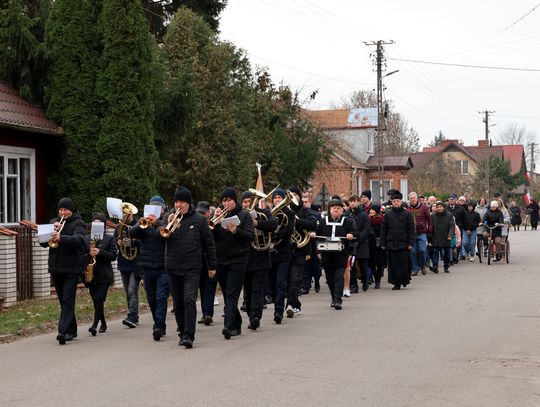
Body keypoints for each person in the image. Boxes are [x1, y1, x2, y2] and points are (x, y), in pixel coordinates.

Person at [163, 187, 216, 348]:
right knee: (178, 303)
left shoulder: (199, 220)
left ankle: (189, 335)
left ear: (189, 203)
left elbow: (209, 244)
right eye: (177, 201)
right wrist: (169, 223)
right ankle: (182, 331)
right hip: (173, 266)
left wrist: (212, 265)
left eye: (182, 202)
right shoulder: (169, 218)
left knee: (189, 299)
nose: (179, 205)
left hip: (192, 267)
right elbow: (161, 237)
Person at [40, 197, 86, 345]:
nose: (62, 212)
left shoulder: (79, 223)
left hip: (72, 268)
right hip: (56, 266)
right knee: (63, 299)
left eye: (65, 210)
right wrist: (49, 231)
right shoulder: (53, 222)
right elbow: (43, 243)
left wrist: (61, 237)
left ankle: (62, 331)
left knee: (67, 298)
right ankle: (72, 330)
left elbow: (79, 240)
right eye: (60, 209)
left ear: (71, 210)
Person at [212, 187, 255, 339]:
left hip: (238, 260)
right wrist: (214, 222)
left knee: (231, 294)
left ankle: (228, 326)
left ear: (234, 201)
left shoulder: (244, 215)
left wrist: (236, 231)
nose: (226, 203)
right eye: (223, 200)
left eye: (229, 200)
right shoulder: (217, 217)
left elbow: (251, 236)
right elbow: (209, 236)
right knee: (226, 293)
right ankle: (236, 322)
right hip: (221, 261)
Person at [130, 195, 169, 341]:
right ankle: (159, 323)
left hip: (163, 268)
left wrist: (156, 223)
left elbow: (165, 234)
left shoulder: (165, 221)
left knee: (161, 298)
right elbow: (131, 233)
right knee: (152, 299)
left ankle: (158, 326)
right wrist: (141, 223)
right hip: (147, 268)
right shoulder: (143, 224)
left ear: (162, 210)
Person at [241, 191, 277, 330]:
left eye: (250, 201)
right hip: (244, 258)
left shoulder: (264, 213)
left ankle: (256, 316)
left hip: (260, 257)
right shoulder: (239, 215)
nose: (248, 204)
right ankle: (251, 314)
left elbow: (273, 225)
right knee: (248, 289)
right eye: (245, 202)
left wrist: (257, 223)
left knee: (257, 289)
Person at [313, 198, 356, 309]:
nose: (336, 210)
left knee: (339, 277)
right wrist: (313, 234)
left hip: (341, 254)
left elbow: (355, 233)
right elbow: (317, 233)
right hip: (327, 255)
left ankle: (338, 300)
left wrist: (351, 234)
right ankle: (334, 296)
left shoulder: (347, 221)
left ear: (342, 210)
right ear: (330, 209)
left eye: (339, 208)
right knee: (329, 279)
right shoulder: (323, 221)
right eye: (334, 208)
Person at [285, 186, 316, 318]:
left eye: (294, 194)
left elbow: (312, 224)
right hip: (285, 249)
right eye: (290, 194)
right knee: (286, 280)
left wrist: (296, 221)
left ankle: (290, 305)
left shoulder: (304, 210)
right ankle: (296, 304)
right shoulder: (284, 210)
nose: (292, 197)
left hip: (300, 250)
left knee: (294, 279)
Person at [85, 213, 117, 336]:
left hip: (104, 275)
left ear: (103, 226)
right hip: (91, 275)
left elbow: (113, 256)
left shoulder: (109, 239)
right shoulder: (87, 238)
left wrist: (100, 252)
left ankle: (94, 325)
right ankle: (103, 322)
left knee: (99, 299)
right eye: (95, 223)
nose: (97, 225)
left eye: (99, 223)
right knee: (96, 301)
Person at [269, 188, 295, 324]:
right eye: (275, 198)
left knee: (280, 283)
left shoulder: (289, 213)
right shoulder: (269, 213)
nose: (277, 200)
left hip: (284, 253)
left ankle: (278, 311)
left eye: (279, 198)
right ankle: (276, 304)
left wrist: (274, 235)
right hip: (271, 254)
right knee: (272, 284)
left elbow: (289, 230)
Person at [380, 192, 415, 290]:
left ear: (401, 202)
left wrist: (411, 243)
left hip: (404, 244)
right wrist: (383, 243)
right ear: (392, 202)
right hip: (391, 243)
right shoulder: (388, 214)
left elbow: (411, 229)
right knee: (393, 265)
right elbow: (384, 229)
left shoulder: (407, 214)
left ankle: (404, 280)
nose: (396, 203)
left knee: (403, 263)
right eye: (394, 201)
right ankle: (396, 283)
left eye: (398, 201)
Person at [114, 209, 142, 329]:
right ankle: (132, 313)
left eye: (128, 214)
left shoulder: (139, 225)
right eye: (124, 213)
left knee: (132, 290)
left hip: (135, 263)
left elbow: (143, 242)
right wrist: (118, 243)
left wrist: (133, 242)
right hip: (123, 262)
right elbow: (114, 244)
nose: (126, 216)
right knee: (127, 292)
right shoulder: (118, 228)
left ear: (132, 214)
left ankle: (133, 316)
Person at [195, 201, 218, 326]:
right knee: (201, 287)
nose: (201, 215)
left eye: (203, 213)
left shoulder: (214, 223)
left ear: (209, 213)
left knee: (209, 287)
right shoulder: (196, 223)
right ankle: (205, 314)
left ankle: (208, 313)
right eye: (199, 213)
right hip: (198, 260)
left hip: (211, 260)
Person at [348, 195, 370, 292]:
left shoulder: (364, 215)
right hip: (351, 244)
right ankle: (353, 286)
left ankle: (365, 281)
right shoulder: (347, 215)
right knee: (351, 266)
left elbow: (366, 229)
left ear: (358, 202)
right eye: (351, 201)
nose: (352, 203)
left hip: (362, 244)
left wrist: (359, 238)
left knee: (362, 265)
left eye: (354, 201)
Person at [407, 192, 432, 276]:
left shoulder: (424, 207)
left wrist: (429, 230)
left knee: (422, 250)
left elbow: (429, 220)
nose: (412, 199)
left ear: (417, 199)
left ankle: (423, 265)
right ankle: (415, 269)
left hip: (422, 232)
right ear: (409, 199)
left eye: (414, 198)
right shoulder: (407, 209)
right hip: (411, 233)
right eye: (411, 198)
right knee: (413, 252)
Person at [430, 201, 455, 273]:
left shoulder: (449, 215)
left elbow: (452, 226)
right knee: (435, 252)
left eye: (440, 207)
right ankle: (435, 266)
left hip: (446, 237)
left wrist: (450, 235)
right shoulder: (433, 216)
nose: (439, 208)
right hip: (436, 236)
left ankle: (446, 266)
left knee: (446, 254)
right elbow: (431, 227)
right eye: (437, 207)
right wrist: (430, 236)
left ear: (443, 207)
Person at [367, 205, 385, 289]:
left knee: (380, 263)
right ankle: (376, 278)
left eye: (373, 210)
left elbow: (385, 231)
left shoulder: (382, 220)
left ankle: (378, 280)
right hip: (370, 244)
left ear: (377, 211)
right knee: (371, 263)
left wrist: (383, 243)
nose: (371, 212)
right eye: (370, 210)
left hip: (380, 244)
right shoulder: (368, 220)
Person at [447, 193, 467, 261]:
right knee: (450, 242)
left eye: (453, 199)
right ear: (448, 200)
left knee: (458, 242)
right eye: (450, 199)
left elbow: (465, 218)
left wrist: (463, 226)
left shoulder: (460, 208)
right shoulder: (446, 208)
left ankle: (456, 256)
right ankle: (450, 256)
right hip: (448, 228)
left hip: (458, 228)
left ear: (456, 200)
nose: (452, 200)